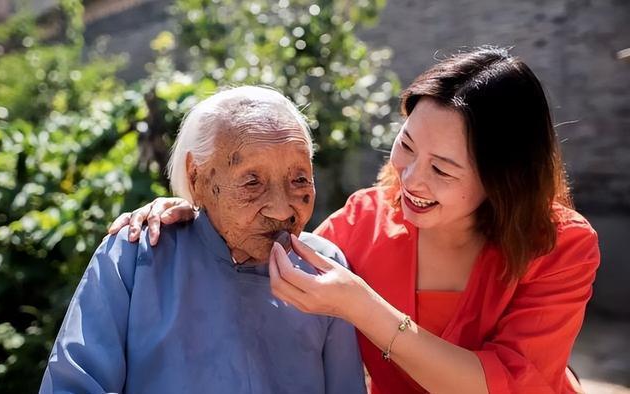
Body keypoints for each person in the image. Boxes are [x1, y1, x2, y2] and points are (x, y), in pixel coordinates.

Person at [110, 47, 600, 393]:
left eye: (442, 169)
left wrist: (362, 307)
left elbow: (508, 386)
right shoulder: (367, 217)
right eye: (406, 145)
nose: (411, 178)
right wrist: (193, 215)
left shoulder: (560, 245)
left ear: (505, 179)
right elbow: (265, 262)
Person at [40, 86, 366, 394]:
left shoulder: (324, 268)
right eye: (252, 182)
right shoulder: (136, 256)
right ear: (197, 177)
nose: (282, 209)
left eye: (299, 180)